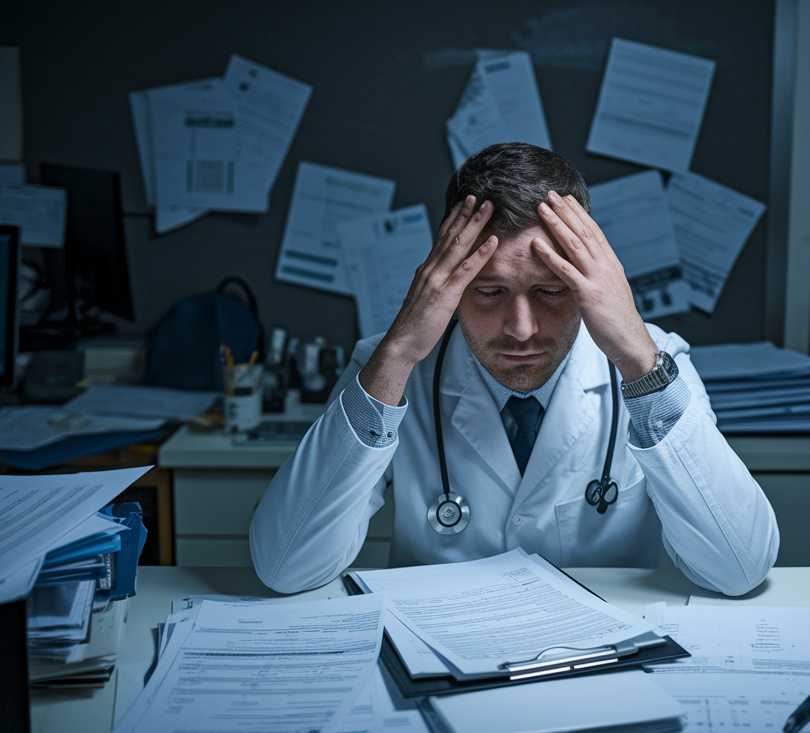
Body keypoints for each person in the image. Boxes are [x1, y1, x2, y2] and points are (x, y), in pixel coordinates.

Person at [251, 143, 778, 595]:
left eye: (551, 291)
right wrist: (396, 357)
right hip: (434, 662)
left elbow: (739, 569)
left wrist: (639, 361)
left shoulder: (655, 366)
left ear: (593, 281)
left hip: (602, 664)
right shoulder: (389, 371)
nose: (521, 328)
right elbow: (286, 568)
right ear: (445, 285)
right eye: (488, 292)